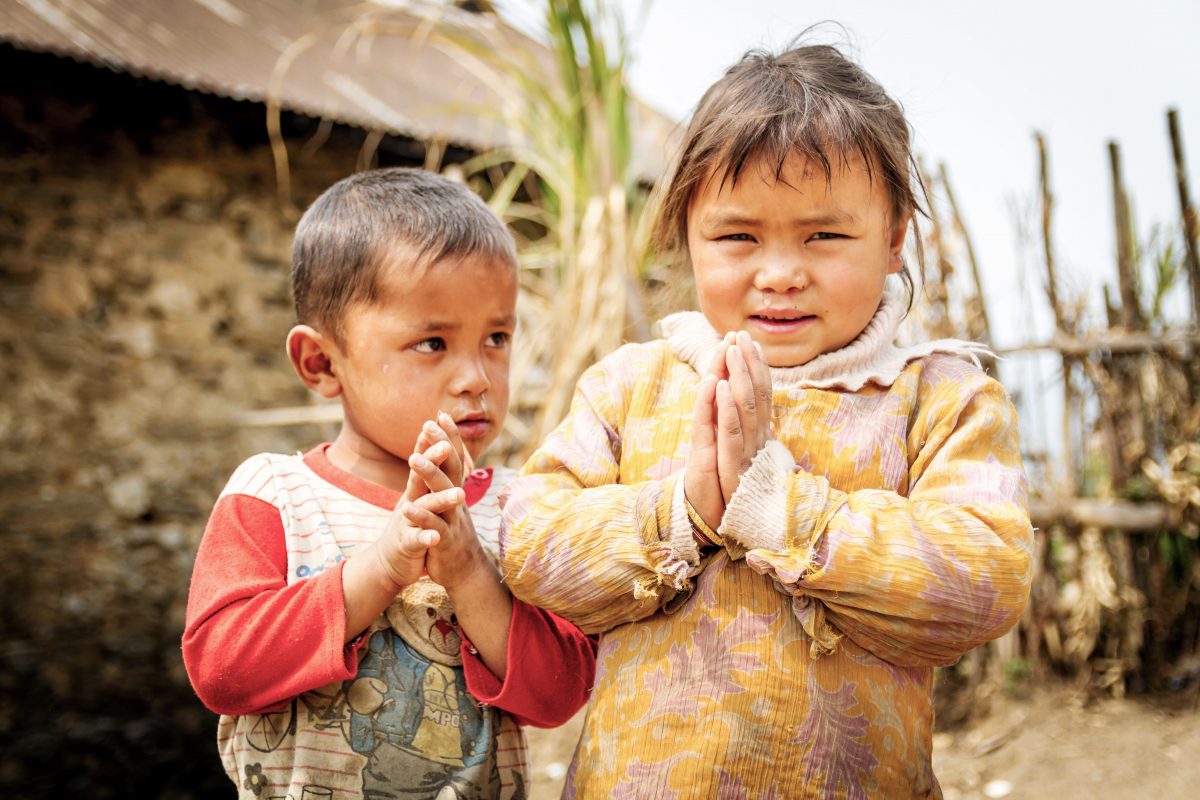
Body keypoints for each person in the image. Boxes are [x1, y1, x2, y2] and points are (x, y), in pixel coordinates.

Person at [500, 43, 1033, 798]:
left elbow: (987, 580)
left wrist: (780, 508)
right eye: (738, 236)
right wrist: (683, 512)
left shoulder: (939, 400)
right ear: (688, 230)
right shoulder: (634, 384)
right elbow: (529, 540)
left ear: (895, 238)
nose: (780, 271)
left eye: (824, 235)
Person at [183, 167, 596, 800]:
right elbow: (220, 669)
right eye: (433, 342)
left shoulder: (525, 507)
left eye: (496, 338)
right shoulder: (274, 494)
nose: (476, 378)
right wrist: (380, 567)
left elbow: (561, 693)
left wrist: (468, 573)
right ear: (322, 363)